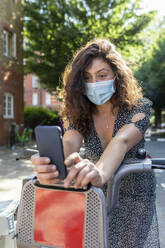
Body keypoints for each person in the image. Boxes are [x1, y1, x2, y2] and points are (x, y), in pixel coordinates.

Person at [32, 38, 160, 247]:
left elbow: (122, 140)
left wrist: (99, 172)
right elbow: (70, 141)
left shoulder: (139, 107)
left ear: (116, 77)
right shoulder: (78, 114)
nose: (94, 84)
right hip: (97, 195)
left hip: (137, 195)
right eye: (87, 77)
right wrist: (53, 165)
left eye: (102, 75)